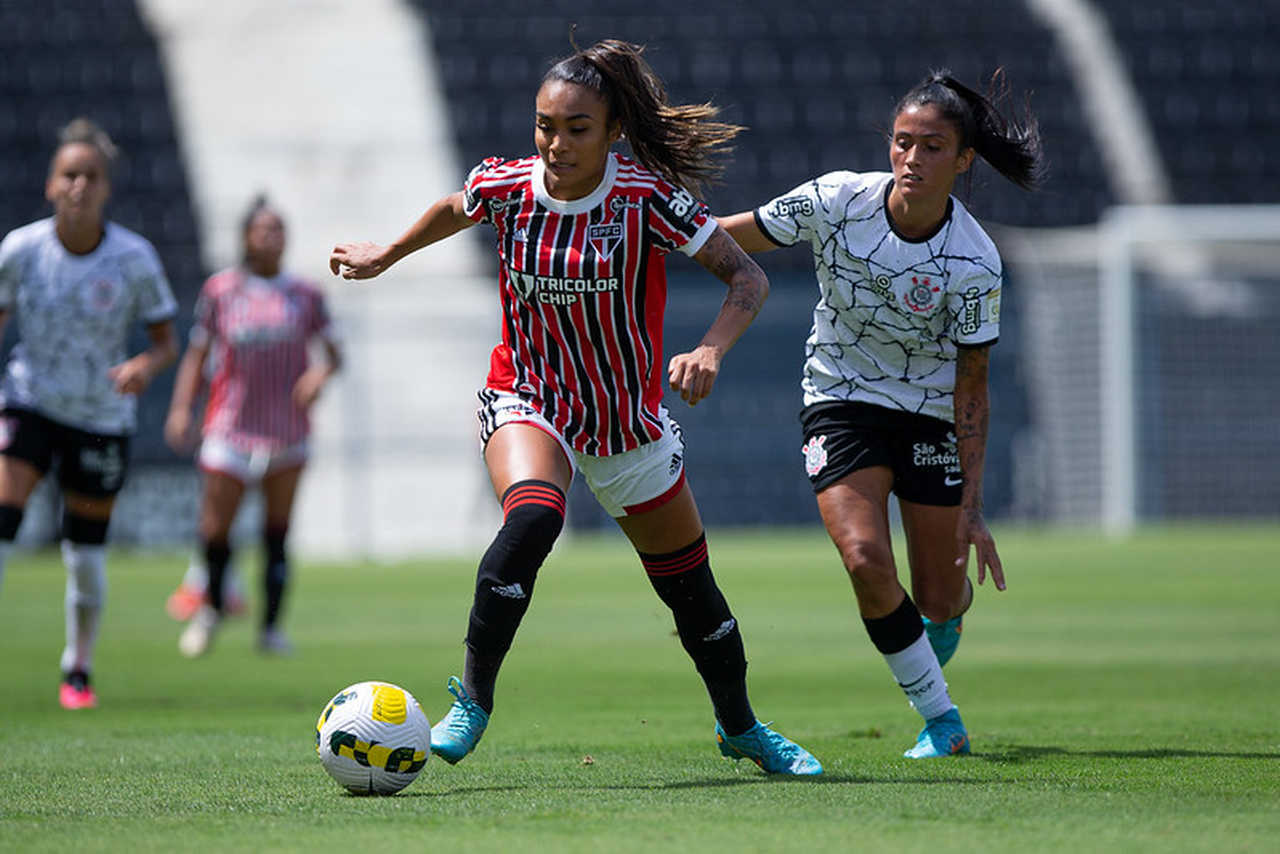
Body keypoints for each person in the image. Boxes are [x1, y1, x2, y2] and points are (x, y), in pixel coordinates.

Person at [329, 39, 822, 776]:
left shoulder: (644, 198)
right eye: (544, 126)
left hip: (626, 424)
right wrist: (387, 253)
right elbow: (450, 209)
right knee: (533, 517)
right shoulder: (506, 186)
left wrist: (711, 350)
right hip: (528, 395)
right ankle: (473, 698)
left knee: (696, 600)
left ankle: (742, 727)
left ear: (613, 128)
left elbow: (746, 278)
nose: (555, 144)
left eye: (576, 128)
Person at [718, 70, 1042, 758]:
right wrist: (639, 234)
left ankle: (946, 618)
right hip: (841, 400)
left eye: (931, 147)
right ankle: (942, 719)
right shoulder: (837, 200)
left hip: (929, 416)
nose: (912, 159)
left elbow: (973, 387)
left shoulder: (975, 261)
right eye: (902, 143)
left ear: (963, 160)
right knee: (865, 558)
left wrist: (974, 506)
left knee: (939, 597)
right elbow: (727, 236)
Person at [0, 118, 179, 709]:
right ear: (51, 185)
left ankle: (77, 669)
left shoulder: (133, 257)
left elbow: (164, 341)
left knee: (85, 554)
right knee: (4, 519)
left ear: (105, 188)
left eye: (91, 176)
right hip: (30, 400)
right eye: (69, 174)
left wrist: (142, 369)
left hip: (101, 415)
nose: (79, 185)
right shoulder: (20, 251)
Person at [165, 196, 341, 658]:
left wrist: (317, 376)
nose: (272, 237)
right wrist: (182, 408)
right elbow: (198, 355)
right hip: (230, 426)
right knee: (216, 530)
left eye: (279, 229)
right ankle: (210, 609)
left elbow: (335, 354)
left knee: (276, 533)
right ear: (246, 237)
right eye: (264, 229)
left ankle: (270, 629)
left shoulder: (305, 293)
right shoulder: (222, 291)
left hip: (287, 429)